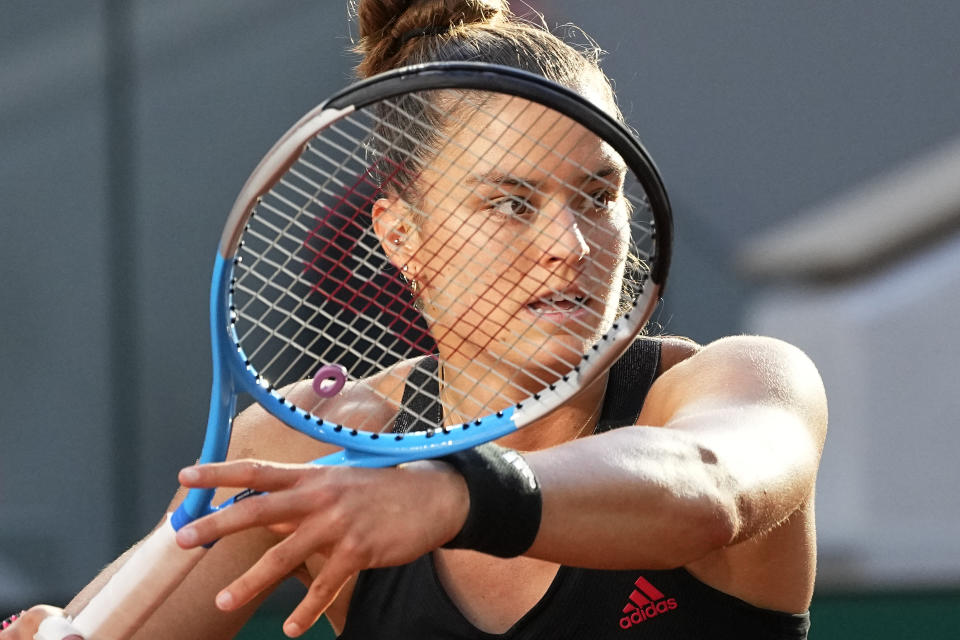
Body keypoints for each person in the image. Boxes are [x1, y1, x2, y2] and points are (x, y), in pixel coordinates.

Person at [2, 1, 827, 638]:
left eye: (598, 197)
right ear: (402, 235)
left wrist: (453, 493)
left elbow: (711, 483)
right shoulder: (302, 447)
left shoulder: (746, 383)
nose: (571, 247)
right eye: (510, 202)